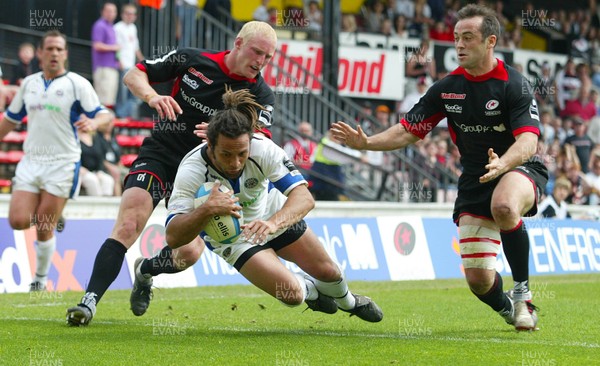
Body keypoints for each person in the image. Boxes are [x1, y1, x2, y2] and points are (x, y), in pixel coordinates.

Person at [332, 4, 546, 331]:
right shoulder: (447, 88)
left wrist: (504, 162)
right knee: (478, 281)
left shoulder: (513, 84)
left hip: (520, 168)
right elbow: (408, 129)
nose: (459, 44)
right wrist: (367, 143)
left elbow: (529, 142)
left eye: (468, 38)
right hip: (475, 179)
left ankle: (522, 294)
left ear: (490, 41)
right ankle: (506, 308)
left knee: (504, 204)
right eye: (457, 37)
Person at [66, 21, 278, 326]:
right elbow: (133, 74)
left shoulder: (261, 94)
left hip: (205, 173)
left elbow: (260, 138)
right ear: (239, 43)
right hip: (162, 156)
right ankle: (87, 303)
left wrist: (225, 134)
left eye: (268, 58)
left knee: (188, 253)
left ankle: (146, 271)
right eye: (257, 52)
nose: (261, 62)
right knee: (128, 224)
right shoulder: (192, 60)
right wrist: (153, 97)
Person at [133, 87, 382, 323]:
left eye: (242, 153)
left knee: (330, 273)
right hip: (234, 237)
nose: (236, 162)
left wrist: (273, 223)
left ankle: (350, 303)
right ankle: (312, 294)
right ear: (210, 145)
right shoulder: (191, 170)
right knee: (292, 296)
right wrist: (207, 209)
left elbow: (305, 198)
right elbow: (174, 236)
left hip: (272, 213)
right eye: (226, 155)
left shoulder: (264, 149)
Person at [0, 30, 112, 291]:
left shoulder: (77, 84)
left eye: (59, 49)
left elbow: (105, 114)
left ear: (65, 54)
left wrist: (94, 122)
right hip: (31, 160)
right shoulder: (29, 84)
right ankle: (54, 212)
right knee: (17, 220)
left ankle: (39, 280)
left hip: (62, 162)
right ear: (40, 53)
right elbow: (10, 120)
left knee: (43, 224)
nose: (54, 53)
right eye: (49, 48)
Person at [114, 3, 144, 118]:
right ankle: (121, 117)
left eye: (132, 14)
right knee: (122, 94)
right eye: (128, 13)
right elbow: (115, 46)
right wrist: (119, 61)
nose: (130, 16)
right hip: (122, 65)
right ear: (122, 14)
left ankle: (125, 116)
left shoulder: (133, 27)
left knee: (134, 94)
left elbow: (136, 47)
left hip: (132, 66)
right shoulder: (117, 27)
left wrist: (142, 61)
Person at [91, 2, 120, 109]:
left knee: (110, 99)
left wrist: (118, 61)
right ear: (102, 12)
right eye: (108, 11)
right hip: (103, 67)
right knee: (103, 99)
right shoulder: (100, 25)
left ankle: (106, 123)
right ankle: (101, 124)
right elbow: (97, 45)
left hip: (112, 67)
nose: (111, 14)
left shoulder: (111, 27)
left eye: (113, 11)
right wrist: (114, 47)